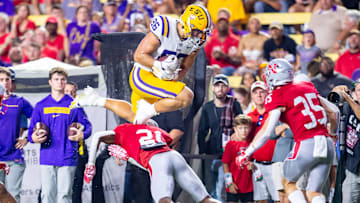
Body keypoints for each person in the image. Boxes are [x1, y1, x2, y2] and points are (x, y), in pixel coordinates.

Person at [70, 4, 212, 125]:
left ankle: (95, 100)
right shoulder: (166, 28)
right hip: (143, 75)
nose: (200, 36)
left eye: (202, 33)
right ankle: (148, 110)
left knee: (137, 119)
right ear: (186, 24)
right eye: (197, 31)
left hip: (159, 79)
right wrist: (158, 66)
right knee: (186, 97)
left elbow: (184, 70)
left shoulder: (195, 43)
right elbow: (138, 55)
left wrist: (172, 74)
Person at [236, 58, 340, 203]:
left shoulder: (277, 95)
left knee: (287, 182)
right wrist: (334, 134)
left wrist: (246, 153)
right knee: (313, 192)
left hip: (306, 143)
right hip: (327, 144)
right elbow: (334, 112)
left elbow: (267, 132)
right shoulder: (306, 86)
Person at [83, 123, 221, 203]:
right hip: (175, 156)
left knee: (163, 200)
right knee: (205, 199)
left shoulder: (126, 129)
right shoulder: (157, 131)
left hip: (157, 161)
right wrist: (129, 156)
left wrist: (91, 163)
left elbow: (98, 136)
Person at [28, 67, 92, 203]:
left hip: (68, 156)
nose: (60, 82)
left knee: (65, 197)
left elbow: (88, 126)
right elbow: (30, 134)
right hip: (47, 157)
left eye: (63, 79)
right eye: (56, 79)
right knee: (47, 196)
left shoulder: (74, 104)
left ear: (65, 82)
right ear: (50, 82)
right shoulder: (41, 105)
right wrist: (33, 138)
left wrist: (82, 134)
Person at [197, 74, 243, 201]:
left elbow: (242, 124)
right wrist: (202, 152)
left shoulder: (234, 104)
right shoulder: (208, 107)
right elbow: (202, 131)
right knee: (211, 186)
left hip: (231, 151)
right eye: (217, 85)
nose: (220, 89)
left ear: (228, 88)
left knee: (227, 186)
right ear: (212, 88)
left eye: (223, 86)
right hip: (212, 151)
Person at [0, 67, 33, 202]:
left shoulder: (20, 101)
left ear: (11, 82)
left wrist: (27, 138)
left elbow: (39, 120)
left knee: (12, 195)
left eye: (7, 80)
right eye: (1, 80)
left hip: (14, 157)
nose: (4, 83)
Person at [247, 81, 279, 203]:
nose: (259, 95)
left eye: (262, 92)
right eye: (255, 93)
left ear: (268, 94)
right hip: (257, 165)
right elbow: (246, 141)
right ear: (252, 96)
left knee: (279, 199)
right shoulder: (248, 117)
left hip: (275, 164)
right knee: (260, 200)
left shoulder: (275, 114)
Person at [332, 80, 360, 203]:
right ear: (355, 93)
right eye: (359, 90)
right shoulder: (348, 108)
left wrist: (348, 98)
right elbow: (330, 106)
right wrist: (336, 91)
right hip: (352, 167)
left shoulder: (351, 104)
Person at [222, 114, 254, 203]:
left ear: (250, 128)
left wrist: (253, 165)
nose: (243, 131)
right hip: (234, 183)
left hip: (248, 186)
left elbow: (254, 160)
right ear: (235, 129)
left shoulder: (253, 143)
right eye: (240, 128)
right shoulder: (231, 145)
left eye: (246, 128)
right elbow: (225, 164)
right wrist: (229, 183)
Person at [204, 7, 241, 76]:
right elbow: (205, 58)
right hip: (214, 68)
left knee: (221, 72)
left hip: (229, 69)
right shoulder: (212, 40)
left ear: (228, 25)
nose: (222, 25)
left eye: (225, 23)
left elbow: (239, 61)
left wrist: (225, 56)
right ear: (216, 25)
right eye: (220, 23)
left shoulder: (236, 40)